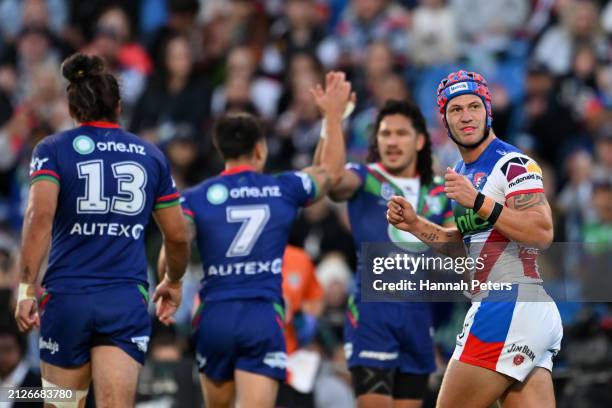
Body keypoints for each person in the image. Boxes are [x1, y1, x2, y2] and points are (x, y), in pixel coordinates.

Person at [158, 72, 352, 408]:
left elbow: (175, 243)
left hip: (214, 314)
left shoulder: (197, 197)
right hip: (261, 316)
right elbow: (330, 172)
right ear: (260, 149)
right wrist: (332, 117)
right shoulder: (281, 188)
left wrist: (171, 280)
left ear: (221, 151)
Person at [14, 53, 190, 407]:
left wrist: (25, 287)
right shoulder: (150, 154)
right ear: (119, 106)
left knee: (63, 404)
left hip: (68, 296)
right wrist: (172, 279)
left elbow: (38, 217)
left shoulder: (52, 149)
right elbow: (177, 234)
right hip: (123, 299)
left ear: (72, 107)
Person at [387, 70, 562, 407]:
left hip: (509, 304)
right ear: (444, 120)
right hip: (522, 311)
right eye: (455, 110)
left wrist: (478, 201)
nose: (466, 116)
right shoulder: (463, 173)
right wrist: (415, 225)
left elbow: (542, 232)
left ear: (488, 112)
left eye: (473, 106)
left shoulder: (513, 164)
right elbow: (467, 249)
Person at [316, 99, 454, 407]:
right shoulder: (365, 178)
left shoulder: (439, 192)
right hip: (372, 315)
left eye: (401, 133)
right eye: (385, 133)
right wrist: (332, 120)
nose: (392, 141)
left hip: (419, 315)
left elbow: (454, 249)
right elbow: (331, 180)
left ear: (419, 140)